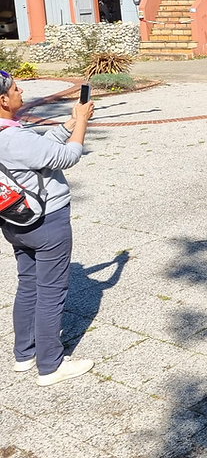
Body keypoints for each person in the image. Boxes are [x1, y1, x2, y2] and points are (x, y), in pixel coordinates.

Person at [0, 71, 96, 386]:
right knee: (51, 292)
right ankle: (50, 365)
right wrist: (81, 121)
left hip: (15, 220)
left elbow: (38, 150)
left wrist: (67, 125)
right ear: (3, 100)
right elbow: (67, 156)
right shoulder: (12, 138)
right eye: (15, 89)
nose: (20, 90)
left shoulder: (9, 134)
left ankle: (24, 354)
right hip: (46, 221)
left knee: (28, 286)